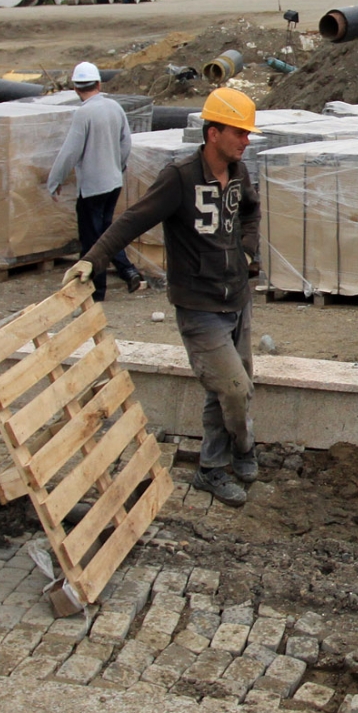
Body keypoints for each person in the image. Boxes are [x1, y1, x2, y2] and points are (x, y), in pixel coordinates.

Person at [65, 86, 263, 507]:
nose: (246, 140)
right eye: (240, 132)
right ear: (213, 133)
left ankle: (216, 462)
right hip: (199, 305)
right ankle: (236, 452)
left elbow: (250, 211)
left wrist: (248, 249)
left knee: (224, 388)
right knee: (234, 388)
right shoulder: (180, 177)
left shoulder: (240, 172)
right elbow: (134, 219)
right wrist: (93, 259)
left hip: (237, 299)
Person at [46, 60, 144, 302]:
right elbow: (126, 142)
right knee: (107, 233)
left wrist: (55, 179)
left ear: (76, 88)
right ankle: (128, 270)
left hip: (92, 188)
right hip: (113, 182)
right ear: (99, 83)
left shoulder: (84, 113)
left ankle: (96, 292)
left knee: (92, 241)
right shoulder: (114, 107)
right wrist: (117, 166)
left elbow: (70, 151)